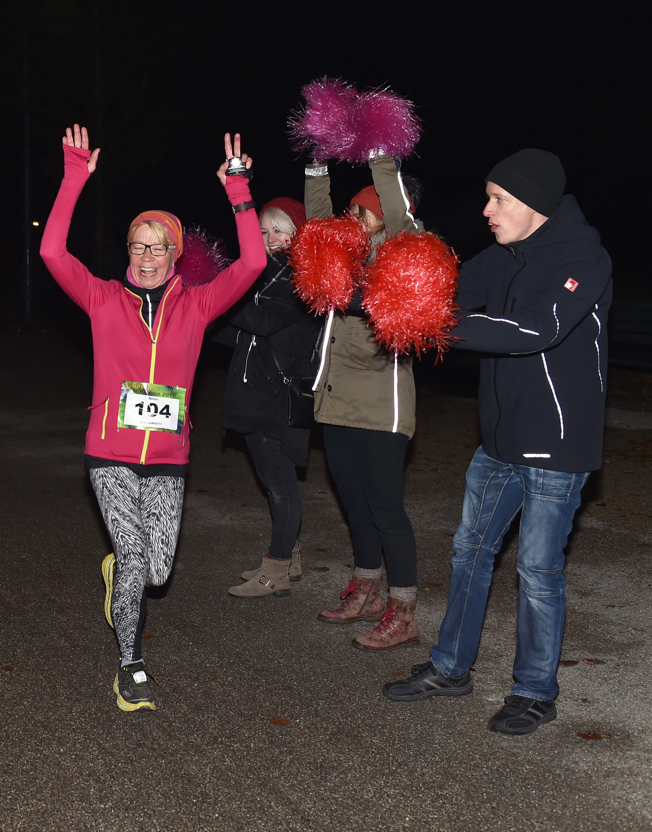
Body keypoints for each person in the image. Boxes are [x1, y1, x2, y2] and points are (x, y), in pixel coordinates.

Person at [383, 149, 611, 734]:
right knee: (470, 554)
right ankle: (450, 668)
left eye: (499, 199)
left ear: (532, 202)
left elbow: (536, 330)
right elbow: (446, 290)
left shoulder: (583, 257)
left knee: (537, 571)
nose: (486, 210)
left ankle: (534, 692)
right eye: (488, 196)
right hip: (499, 445)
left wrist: (435, 324)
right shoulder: (502, 256)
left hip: (557, 449)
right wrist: (384, 291)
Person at [40, 125, 266, 711]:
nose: (144, 257)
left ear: (175, 255)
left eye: (157, 247)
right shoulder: (101, 299)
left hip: (169, 457)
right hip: (109, 454)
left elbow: (253, 260)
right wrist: (73, 180)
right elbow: (51, 252)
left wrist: (238, 190)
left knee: (157, 571)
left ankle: (121, 573)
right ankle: (130, 665)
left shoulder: (198, 302)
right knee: (140, 558)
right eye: (137, 246)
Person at [306, 153, 425, 649]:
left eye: (362, 211)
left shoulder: (404, 250)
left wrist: (381, 156)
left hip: (381, 406)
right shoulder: (347, 255)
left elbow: (398, 211)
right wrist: (317, 169)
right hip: (336, 402)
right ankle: (367, 590)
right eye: (352, 210)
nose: (353, 219)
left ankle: (404, 609)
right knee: (355, 505)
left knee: (385, 509)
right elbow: (316, 227)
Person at [216, 196, 322, 598]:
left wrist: (224, 289)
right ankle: (289, 556)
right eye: (263, 231)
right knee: (268, 478)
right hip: (253, 390)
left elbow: (261, 321)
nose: (270, 238)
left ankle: (276, 569)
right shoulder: (265, 277)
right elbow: (237, 334)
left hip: (280, 395)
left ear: (298, 235)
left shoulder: (303, 280)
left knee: (280, 484)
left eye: (279, 229)